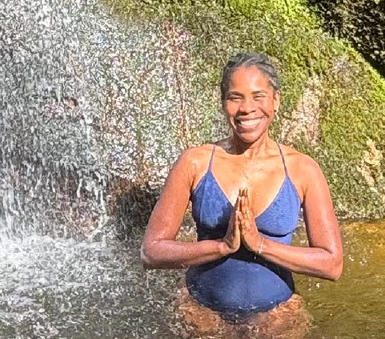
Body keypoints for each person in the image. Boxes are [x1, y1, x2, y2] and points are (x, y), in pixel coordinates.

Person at [141, 52, 344, 317]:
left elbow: (332, 264)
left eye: (258, 96)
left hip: (278, 317)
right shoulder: (196, 163)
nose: (247, 108)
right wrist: (222, 246)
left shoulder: (302, 169)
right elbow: (151, 251)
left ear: (276, 101)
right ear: (223, 103)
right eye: (235, 97)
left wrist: (260, 244)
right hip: (202, 315)